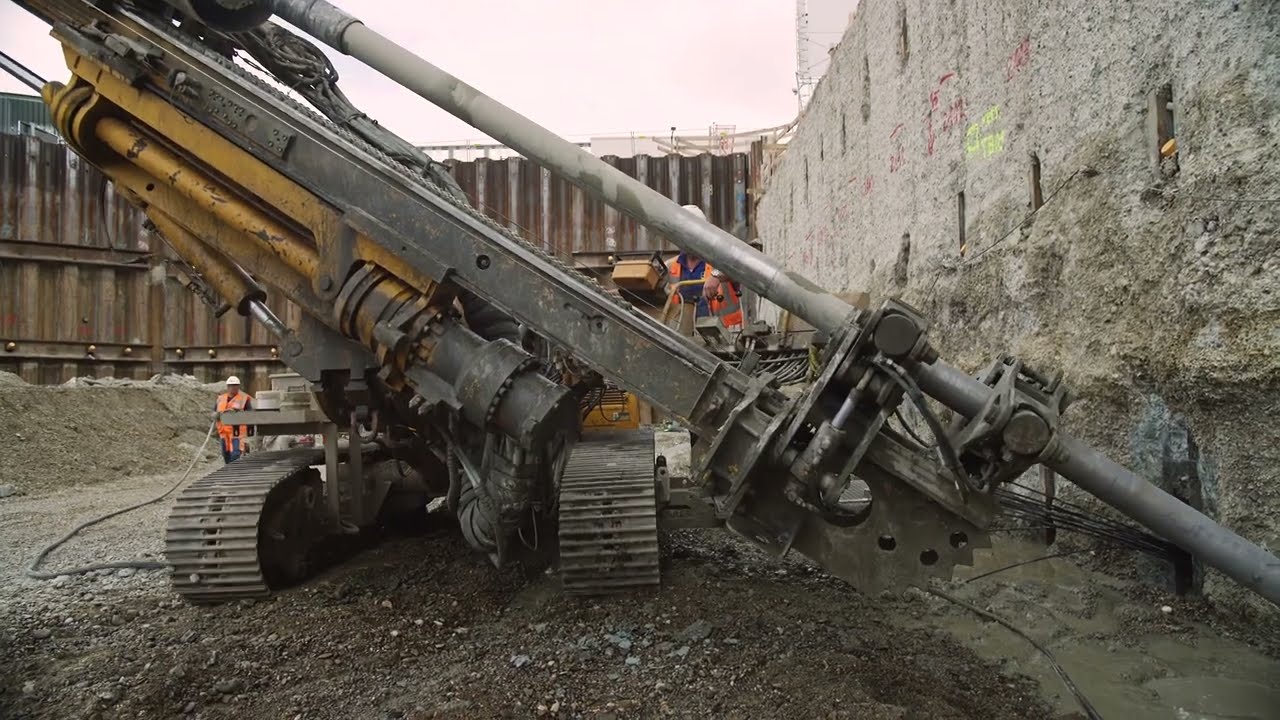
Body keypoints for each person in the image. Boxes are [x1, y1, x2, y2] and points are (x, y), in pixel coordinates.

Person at [667, 205, 743, 330]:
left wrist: (716, 276)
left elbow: (741, 266)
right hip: (682, 342)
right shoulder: (669, 267)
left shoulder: (720, 263)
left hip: (726, 341)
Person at [213, 375, 254, 464]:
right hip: (224, 433)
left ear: (239, 386)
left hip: (237, 433)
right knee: (226, 454)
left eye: (236, 385)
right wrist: (215, 415)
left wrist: (238, 413)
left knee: (235, 455)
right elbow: (214, 412)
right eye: (231, 385)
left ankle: (235, 472)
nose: (234, 387)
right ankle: (228, 471)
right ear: (228, 387)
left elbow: (250, 415)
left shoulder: (244, 398)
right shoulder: (221, 398)